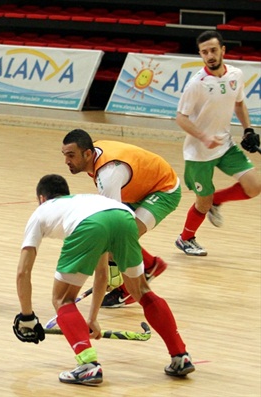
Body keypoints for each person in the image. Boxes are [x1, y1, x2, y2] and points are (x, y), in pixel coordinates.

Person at [13, 174, 194, 386]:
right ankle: (180, 355)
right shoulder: (83, 202)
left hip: (90, 225)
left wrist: (27, 316)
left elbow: (22, 272)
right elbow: (101, 273)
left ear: (42, 198)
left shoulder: (41, 211)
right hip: (124, 217)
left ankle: (88, 366)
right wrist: (92, 318)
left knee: (62, 299)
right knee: (142, 291)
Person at [61, 129, 178, 308]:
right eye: (65, 155)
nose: (67, 161)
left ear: (87, 153)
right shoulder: (95, 153)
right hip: (139, 187)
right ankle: (150, 265)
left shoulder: (108, 175)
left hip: (163, 189)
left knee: (119, 240)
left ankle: (129, 290)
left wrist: (109, 270)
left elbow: (113, 227)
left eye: (71, 155)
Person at [174, 30, 261, 256]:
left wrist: (248, 129)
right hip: (199, 153)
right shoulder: (197, 84)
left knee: (254, 187)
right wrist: (203, 137)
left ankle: (216, 201)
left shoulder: (236, 74)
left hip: (225, 145)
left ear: (223, 50)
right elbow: (180, 118)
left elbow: (239, 103)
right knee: (202, 204)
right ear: (200, 55)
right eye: (204, 52)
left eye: (213, 50)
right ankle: (185, 239)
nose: (210, 55)